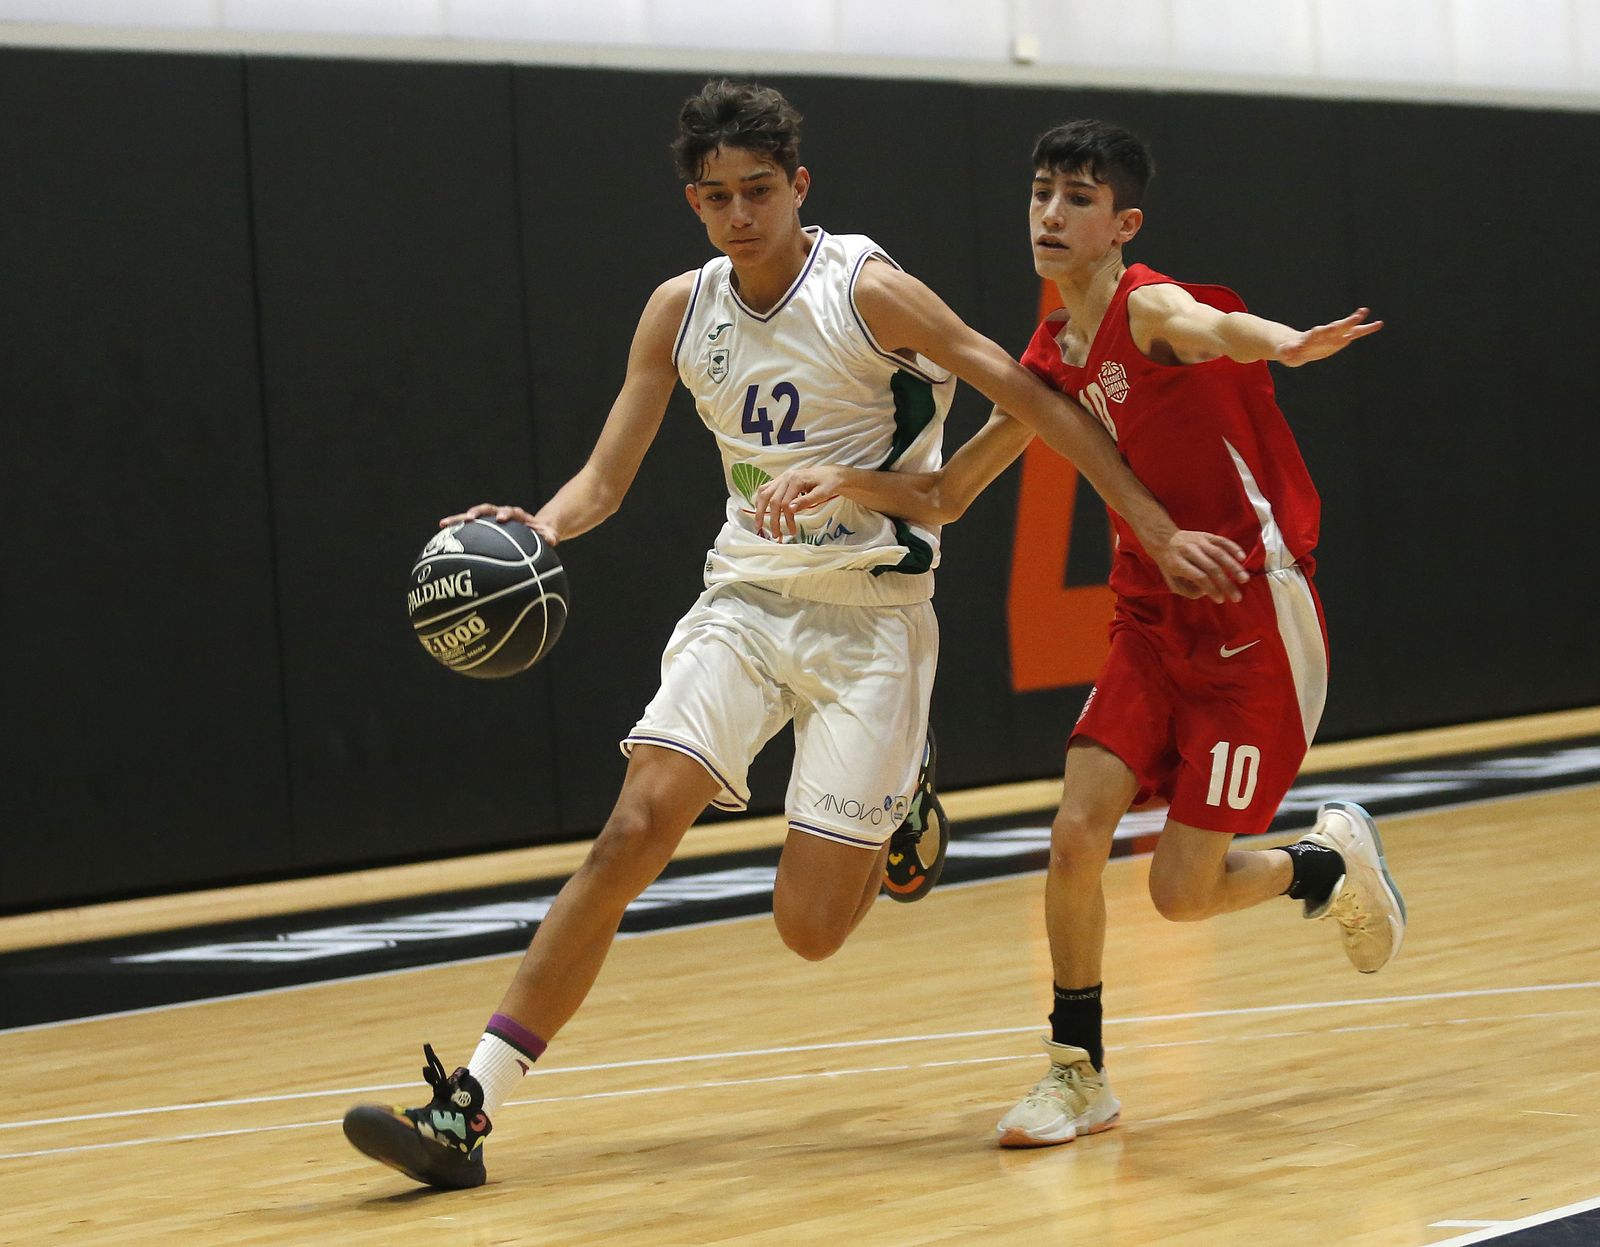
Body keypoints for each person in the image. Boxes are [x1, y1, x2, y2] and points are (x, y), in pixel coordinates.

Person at [342, 86, 1246, 1189]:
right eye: (716, 197)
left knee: (811, 928)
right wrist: (535, 524)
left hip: (871, 624)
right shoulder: (679, 310)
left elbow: (1040, 397)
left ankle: (901, 792)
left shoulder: (868, 291)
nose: (738, 215)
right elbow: (604, 480)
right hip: (744, 603)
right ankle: (468, 1106)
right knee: (632, 829)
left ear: (798, 187)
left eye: (758, 191)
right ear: (693, 200)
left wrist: (1152, 524)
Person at [750, 118, 1405, 1150]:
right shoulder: (1048, 353)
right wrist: (848, 480)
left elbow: (1207, 325)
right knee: (1072, 830)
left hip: (1251, 619)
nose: (1051, 215)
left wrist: (1283, 340)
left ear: (1121, 224)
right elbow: (951, 491)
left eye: (1078, 199)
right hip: (1151, 617)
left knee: (1181, 894)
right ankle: (1077, 1071)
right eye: (1041, 194)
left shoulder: (1145, 307)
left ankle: (1320, 863)